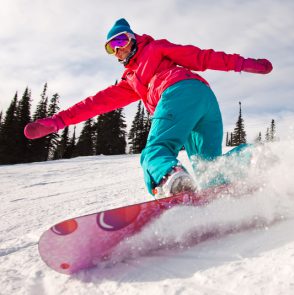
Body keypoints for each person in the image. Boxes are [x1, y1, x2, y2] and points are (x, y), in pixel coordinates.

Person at [24, 18, 273, 198]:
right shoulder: (130, 82)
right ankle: (252, 157)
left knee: (155, 151)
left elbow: (201, 57)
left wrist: (242, 64)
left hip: (179, 91)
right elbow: (94, 104)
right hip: (204, 100)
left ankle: (171, 179)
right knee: (210, 170)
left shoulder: (155, 48)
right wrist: (58, 121)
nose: (118, 48)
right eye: (112, 48)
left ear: (133, 38)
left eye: (121, 40)